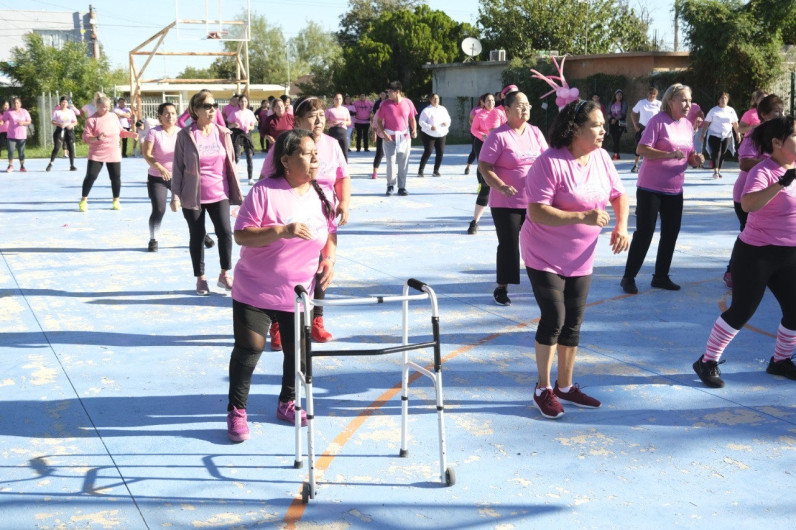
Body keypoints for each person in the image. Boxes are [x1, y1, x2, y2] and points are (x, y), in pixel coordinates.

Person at [225, 128, 338, 442]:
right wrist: (281, 230)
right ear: (286, 160)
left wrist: (329, 258)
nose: (315, 158)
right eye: (306, 153)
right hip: (255, 289)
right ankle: (237, 411)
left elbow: (329, 232)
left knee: (297, 351)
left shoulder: (322, 193)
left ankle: (287, 402)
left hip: (298, 292)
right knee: (251, 349)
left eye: (316, 153)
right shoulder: (264, 191)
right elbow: (242, 235)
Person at [523, 98, 630, 419]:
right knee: (554, 317)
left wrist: (622, 225)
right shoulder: (549, 162)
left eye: (601, 125)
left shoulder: (600, 158)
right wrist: (581, 217)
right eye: (595, 125)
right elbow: (537, 210)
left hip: (581, 256)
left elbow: (618, 194)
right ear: (575, 130)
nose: (602, 130)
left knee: (573, 321)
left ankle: (565, 386)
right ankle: (543, 388)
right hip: (543, 253)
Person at [693, 116, 796, 388]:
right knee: (741, 311)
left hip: (789, 254)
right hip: (756, 254)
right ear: (777, 143)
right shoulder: (763, 171)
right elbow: (749, 204)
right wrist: (782, 183)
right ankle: (707, 361)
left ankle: (780, 360)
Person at [258, 95, 350, 346]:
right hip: (291, 215)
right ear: (297, 120)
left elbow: (343, 177)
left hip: (323, 216)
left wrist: (344, 202)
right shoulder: (283, 146)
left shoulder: (332, 145)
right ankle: (277, 324)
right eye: (311, 115)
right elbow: (266, 180)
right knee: (284, 270)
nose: (319, 119)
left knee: (322, 267)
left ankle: (316, 320)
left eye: (321, 114)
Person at [620, 84, 705, 294]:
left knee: (670, 233)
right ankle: (628, 277)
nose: (688, 104)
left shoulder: (687, 125)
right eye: (683, 100)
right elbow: (641, 149)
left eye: (690, 100)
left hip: (675, 189)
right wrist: (668, 154)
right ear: (671, 101)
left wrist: (696, 160)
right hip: (651, 188)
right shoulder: (658, 121)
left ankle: (660, 276)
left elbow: (689, 154)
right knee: (645, 233)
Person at [478, 90, 547, 306]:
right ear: (507, 110)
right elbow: (484, 166)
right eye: (520, 105)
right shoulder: (498, 136)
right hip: (505, 203)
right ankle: (502, 288)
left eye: (527, 104)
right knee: (509, 245)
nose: (525, 108)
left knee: (540, 243)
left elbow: (548, 161)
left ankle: (545, 284)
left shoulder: (535, 132)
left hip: (535, 201)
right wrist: (500, 185)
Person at [171, 90, 244, 295]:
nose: (212, 110)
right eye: (207, 106)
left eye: (214, 105)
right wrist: (175, 195)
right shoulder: (185, 135)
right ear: (195, 110)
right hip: (192, 196)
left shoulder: (223, 133)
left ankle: (224, 274)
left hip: (219, 192)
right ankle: (201, 278)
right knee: (197, 235)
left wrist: (237, 192)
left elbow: (230, 163)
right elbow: (177, 167)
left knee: (225, 233)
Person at [723, 94, 784, 287]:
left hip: (771, 197)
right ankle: (732, 271)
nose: (780, 114)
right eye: (776, 111)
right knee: (748, 235)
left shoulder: (784, 135)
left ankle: (767, 273)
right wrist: (774, 162)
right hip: (747, 194)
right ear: (764, 115)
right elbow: (745, 163)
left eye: (782, 111)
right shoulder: (755, 134)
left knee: (770, 235)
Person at [79, 94, 137, 211]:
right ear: (97, 106)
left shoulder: (113, 117)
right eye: (103, 107)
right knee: (91, 176)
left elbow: (120, 131)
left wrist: (131, 134)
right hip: (97, 152)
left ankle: (116, 200)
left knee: (116, 177)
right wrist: (96, 138)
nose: (106, 109)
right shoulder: (92, 120)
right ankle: (84, 200)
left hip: (114, 151)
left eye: (108, 107)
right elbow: (86, 137)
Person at [466, 92, 507, 233]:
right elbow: (473, 129)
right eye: (488, 101)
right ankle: (474, 221)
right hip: (482, 144)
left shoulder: (501, 113)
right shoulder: (480, 114)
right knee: (486, 183)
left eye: (492, 100)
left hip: (498, 147)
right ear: (483, 103)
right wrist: (482, 135)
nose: (491, 103)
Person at [142, 102, 179, 252]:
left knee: (192, 208)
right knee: (159, 209)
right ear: (160, 117)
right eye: (167, 113)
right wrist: (160, 167)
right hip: (157, 177)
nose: (170, 116)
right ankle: (153, 238)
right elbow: (147, 154)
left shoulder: (181, 133)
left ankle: (201, 235)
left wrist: (176, 196)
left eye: (173, 113)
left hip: (178, 177)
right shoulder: (154, 133)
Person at [374, 81, 417, 196]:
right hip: (389, 138)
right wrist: (384, 133)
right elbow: (379, 121)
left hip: (404, 137)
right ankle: (390, 185)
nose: (388, 94)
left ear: (397, 92)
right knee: (390, 161)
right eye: (387, 92)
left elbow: (412, 119)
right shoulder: (385, 104)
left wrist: (414, 130)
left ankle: (402, 187)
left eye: (390, 92)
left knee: (403, 162)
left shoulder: (408, 103)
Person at [702, 92, 740, 179]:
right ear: (718, 100)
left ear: (728, 100)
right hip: (714, 134)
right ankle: (715, 171)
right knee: (716, 152)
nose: (723, 100)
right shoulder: (713, 110)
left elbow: (735, 123)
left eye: (725, 98)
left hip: (727, 135)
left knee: (723, 152)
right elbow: (706, 123)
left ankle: (719, 170)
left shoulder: (731, 110)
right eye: (722, 98)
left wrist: (737, 133)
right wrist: (703, 134)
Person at [417, 93, 451, 178]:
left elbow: (448, 118)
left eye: (437, 98)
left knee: (440, 152)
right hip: (429, 134)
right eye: (434, 99)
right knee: (428, 151)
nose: (436, 100)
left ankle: (436, 170)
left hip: (441, 133)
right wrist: (430, 127)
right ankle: (421, 170)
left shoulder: (443, 109)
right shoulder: (426, 110)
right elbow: (421, 122)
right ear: (430, 100)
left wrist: (447, 123)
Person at [630, 87, 661, 173]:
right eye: (650, 94)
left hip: (654, 128)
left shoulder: (659, 104)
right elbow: (633, 112)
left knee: (654, 147)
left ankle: (652, 166)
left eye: (654, 94)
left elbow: (663, 115)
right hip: (642, 127)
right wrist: (635, 124)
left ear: (656, 95)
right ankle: (635, 165)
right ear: (647, 94)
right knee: (639, 146)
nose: (652, 96)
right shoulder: (641, 102)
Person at [228, 94, 257, 184]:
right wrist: (234, 125)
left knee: (249, 156)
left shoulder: (250, 112)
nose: (243, 103)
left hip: (246, 135)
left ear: (247, 102)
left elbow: (253, 126)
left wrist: (250, 127)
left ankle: (250, 178)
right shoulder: (234, 112)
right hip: (237, 135)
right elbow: (229, 125)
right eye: (241, 101)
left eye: (245, 101)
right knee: (236, 157)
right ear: (239, 102)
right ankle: (230, 175)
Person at [46, 96, 78, 172]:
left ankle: (72, 165)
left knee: (71, 148)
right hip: (60, 130)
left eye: (66, 102)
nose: (64, 103)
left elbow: (76, 122)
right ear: (60, 103)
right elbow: (53, 121)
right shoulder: (57, 112)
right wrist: (60, 124)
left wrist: (72, 125)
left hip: (69, 131)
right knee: (57, 147)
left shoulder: (71, 112)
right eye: (63, 102)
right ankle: (51, 163)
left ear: (68, 103)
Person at [2, 97, 32, 173]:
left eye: (17, 103)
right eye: (14, 103)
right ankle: (10, 166)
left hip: (21, 136)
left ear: (20, 104)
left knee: (21, 152)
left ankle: (22, 166)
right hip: (11, 136)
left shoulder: (24, 111)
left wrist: (23, 123)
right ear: (12, 104)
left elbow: (29, 121)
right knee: (11, 151)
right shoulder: (9, 112)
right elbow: (3, 120)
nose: (16, 104)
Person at [325, 93, 352, 161]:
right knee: (333, 152)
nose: (338, 100)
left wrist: (344, 122)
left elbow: (349, 122)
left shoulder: (345, 109)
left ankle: (344, 169)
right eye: (336, 99)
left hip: (343, 132)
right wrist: (331, 123)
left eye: (340, 99)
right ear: (333, 100)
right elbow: (323, 122)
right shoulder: (329, 110)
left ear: (342, 100)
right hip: (333, 132)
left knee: (344, 152)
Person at [464, 94, 486, 176]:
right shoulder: (476, 110)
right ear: (481, 101)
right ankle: (468, 166)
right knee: (474, 151)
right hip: (476, 134)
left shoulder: (492, 111)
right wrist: (478, 130)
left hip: (487, 135)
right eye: (485, 100)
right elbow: (471, 121)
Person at [370, 91, 387, 179]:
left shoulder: (391, 111)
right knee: (380, 153)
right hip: (381, 134)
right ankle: (375, 172)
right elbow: (374, 124)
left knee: (392, 154)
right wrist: (374, 134)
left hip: (391, 135)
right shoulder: (378, 112)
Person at [607, 89, 628, 160]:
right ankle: (617, 154)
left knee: (617, 138)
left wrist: (615, 119)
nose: (619, 96)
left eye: (620, 95)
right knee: (614, 138)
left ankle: (615, 154)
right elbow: (608, 112)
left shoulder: (624, 103)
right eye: (618, 94)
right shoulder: (611, 103)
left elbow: (623, 113)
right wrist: (611, 119)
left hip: (620, 123)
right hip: (612, 123)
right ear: (615, 95)